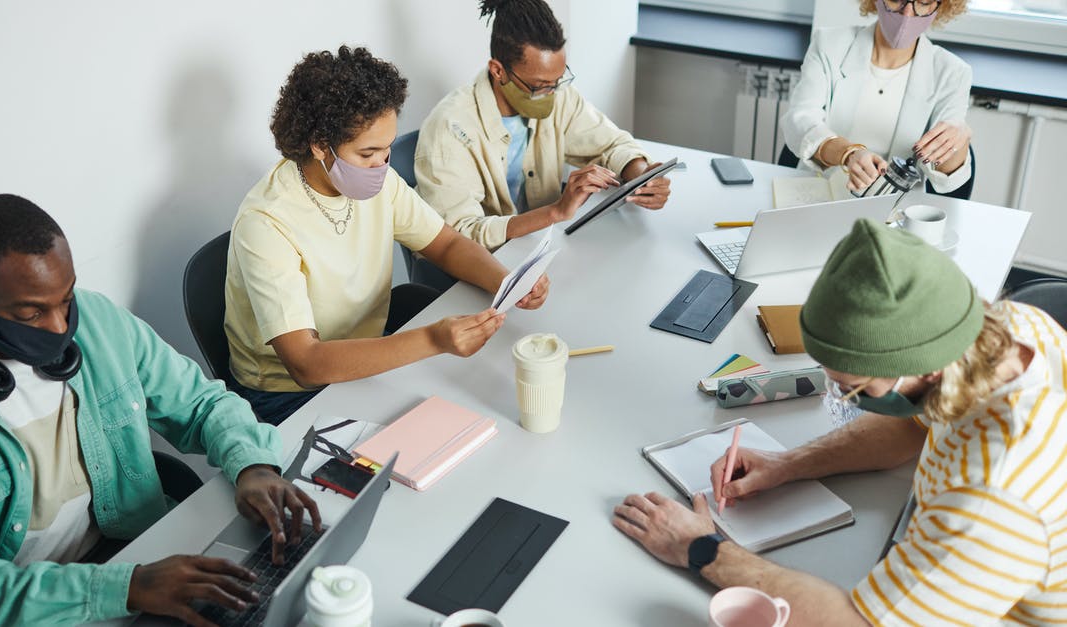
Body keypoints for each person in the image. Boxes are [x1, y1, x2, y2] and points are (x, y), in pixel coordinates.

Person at [0, 195, 320, 627]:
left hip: (130, 555)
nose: (61, 328)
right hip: (30, 608)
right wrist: (127, 588)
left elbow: (202, 404)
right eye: (31, 313)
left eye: (66, 300)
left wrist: (254, 466)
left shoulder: (101, 322)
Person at [613, 219, 1067, 625]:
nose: (843, 397)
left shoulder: (992, 497)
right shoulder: (1008, 327)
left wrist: (703, 550)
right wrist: (788, 464)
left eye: (853, 386)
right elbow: (915, 422)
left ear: (926, 367)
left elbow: (854, 621)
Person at [224, 46, 549, 425]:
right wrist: (433, 340)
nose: (381, 164)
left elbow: (444, 243)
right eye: (367, 154)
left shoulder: (379, 182)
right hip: (289, 396)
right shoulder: (266, 222)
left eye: (387, 149)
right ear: (319, 146)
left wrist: (508, 282)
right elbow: (306, 363)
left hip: (364, 356)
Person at [413, 0, 672, 251]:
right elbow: (459, 236)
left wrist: (643, 177)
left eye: (558, 80)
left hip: (543, 246)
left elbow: (612, 144)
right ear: (498, 71)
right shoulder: (449, 129)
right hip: (486, 263)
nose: (552, 93)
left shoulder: (560, 96)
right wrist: (556, 211)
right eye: (539, 86)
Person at [782, 0, 975, 199]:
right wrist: (848, 154)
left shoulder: (953, 73)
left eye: (924, 2)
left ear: (941, 6)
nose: (908, 14)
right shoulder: (829, 44)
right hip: (818, 195)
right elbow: (799, 120)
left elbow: (947, 180)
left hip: (895, 211)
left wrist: (960, 139)